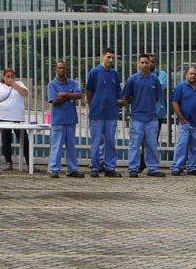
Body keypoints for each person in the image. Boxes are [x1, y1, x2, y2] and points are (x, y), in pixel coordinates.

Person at [123, 53, 166, 178]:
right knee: (135, 144)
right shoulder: (133, 79)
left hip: (151, 118)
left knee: (151, 144)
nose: (145, 65)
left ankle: (153, 168)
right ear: (138, 63)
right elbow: (127, 96)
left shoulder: (154, 80)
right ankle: (133, 168)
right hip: (137, 118)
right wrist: (137, 104)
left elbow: (157, 97)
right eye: (142, 62)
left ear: (150, 63)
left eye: (147, 62)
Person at [86, 48, 123, 177]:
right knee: (96, 142)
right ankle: (95, 167)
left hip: (111, 113)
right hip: (97, 113)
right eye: (108, 57)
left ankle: (110, 167)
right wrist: (93, 105)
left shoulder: (114, 74)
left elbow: (118, 92)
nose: (111, 60)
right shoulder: (94, 72)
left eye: (113, 58)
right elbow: (88, 91)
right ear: (102, 57)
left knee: (110, 142)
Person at [45, 59, 83, 178]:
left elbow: (79, 95)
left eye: (64, 68)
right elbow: (54, 100)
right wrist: (70, 95)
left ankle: (72, 169)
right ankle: (54, 169)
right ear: (55, 69)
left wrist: (64, 94)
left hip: (71, 119)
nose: (62, 70)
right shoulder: (52, 84)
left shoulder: (72, 83)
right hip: (58, 120)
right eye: (59, 68)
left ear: (67, 69)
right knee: (57, 146)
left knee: (71, 146)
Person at [171, 65, 196, 175]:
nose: (193, 76)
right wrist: (181, 118)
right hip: (185, 122)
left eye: (195, 74)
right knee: (182, 144)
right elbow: (174, 102)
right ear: (186, 75)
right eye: (191, 73)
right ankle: (177, 167)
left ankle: (192, 167)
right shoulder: (180, 87)